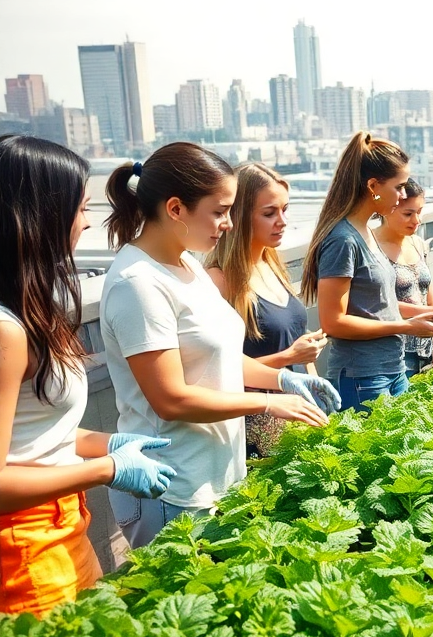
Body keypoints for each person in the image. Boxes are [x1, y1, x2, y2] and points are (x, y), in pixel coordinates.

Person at [101, 143, 337, 548]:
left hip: (212, 478)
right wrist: (265, 403)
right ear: (175, 209)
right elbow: (171, 400)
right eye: (219, 210)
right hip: (170, 487)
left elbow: (223, 359)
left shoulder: (187, 262)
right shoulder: (138, 284)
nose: (228, 223)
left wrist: (281, 379)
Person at [0, 135, 175, 614]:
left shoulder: (29, 310)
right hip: (25, 546)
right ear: (39, 217)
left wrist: (108, 443)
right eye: (79, 209)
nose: (85, 222)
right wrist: (109, 469)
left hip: (63, 529)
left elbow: (37, 435)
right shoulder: (6, 331)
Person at [302, 132, 433, 412]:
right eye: (399, 187)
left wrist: (425, 314)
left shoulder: (365, 233)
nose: (403, 195)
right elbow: (334, 322)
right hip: (362, 377)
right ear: (373, 186)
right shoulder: (343, 240)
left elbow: (374, 307)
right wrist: (406, 327)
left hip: (391, 370)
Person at [206, 163, 327, 457]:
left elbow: (295, 338)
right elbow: (218, 370)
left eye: (285, 210)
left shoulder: (272, 264)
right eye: (269, 213)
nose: (282, 221)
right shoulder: (219, 280)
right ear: (239, 217)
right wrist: (289, 358)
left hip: (299, 418)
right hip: (261, 431)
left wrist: (314, 388)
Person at [372, 178, 433, 377]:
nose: (416, 220)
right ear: (388, 209)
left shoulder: (417, 243)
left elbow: (431, 295)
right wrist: (430, 312)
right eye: (408, 214)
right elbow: (377, 304)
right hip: (396, 351)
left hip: (427, 348)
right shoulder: (371, 247)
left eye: (419, 212)